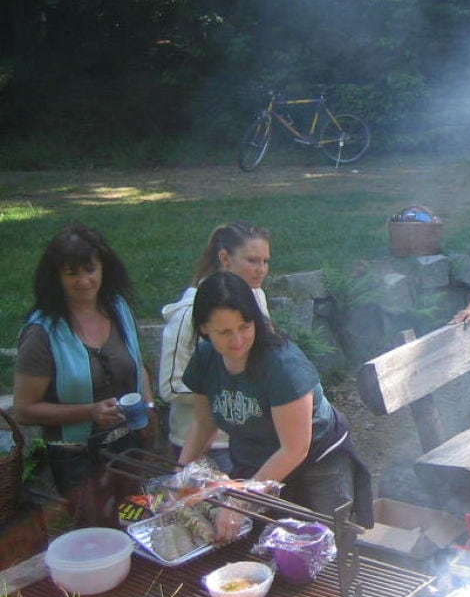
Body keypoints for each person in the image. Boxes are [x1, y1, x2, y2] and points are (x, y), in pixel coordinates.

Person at [179, 271, 374, 538]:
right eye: (224, 332)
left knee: (321, 545)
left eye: (245, 327)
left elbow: (294, 449)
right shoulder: (205, 359)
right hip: (255, 459)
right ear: (204, 328)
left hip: (317, 461)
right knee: (261, 542)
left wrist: (239, 501)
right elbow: (203, 423)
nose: (236, 340)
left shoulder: (283, 366)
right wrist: (179, 479)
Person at [13, 223, 158, 527]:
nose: (84, 281)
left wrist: (148, 407)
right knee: (97, 532)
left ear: (104, 267)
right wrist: (89, 412)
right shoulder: (43, 332)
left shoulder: (118, 308)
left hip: (127, 449)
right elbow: (24, 410)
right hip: (77, 461)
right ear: (56, 277)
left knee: (133, 517)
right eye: (72, 273)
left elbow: (137, 365)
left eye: (90, 269)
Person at [160, 222, 272, 474]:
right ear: (224, 258)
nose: (261, 270)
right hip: (204, 444)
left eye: (265, 261)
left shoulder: (256, 298)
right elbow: (170, 386)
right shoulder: (187, 316)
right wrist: (226, 389)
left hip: (250, 435)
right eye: (253, 260)